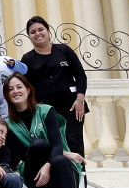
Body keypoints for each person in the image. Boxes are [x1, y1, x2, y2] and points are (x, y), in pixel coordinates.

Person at [3, 73, 88, 188]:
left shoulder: (46, 111)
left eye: (19, 87)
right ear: (7, 95)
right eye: (10, 89)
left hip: (61, 169)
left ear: (28, 90)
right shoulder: (7, 124)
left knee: (59, 160)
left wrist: (48, 165)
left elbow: (57, 145)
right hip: (33, 174)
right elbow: (23, 153)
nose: (15, 91)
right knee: (38, 147)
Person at [20, 15, 89, 157]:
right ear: (29, 36)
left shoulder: (64, 50)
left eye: (41, 29)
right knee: (54, 144)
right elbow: (25, 86)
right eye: (33, 32)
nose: (38, 34)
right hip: (46, 110)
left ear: (48, 31)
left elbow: (80, 75)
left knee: (74, 142)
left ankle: (81, 177)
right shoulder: (27, 59)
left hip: (72, 106)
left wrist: (80, 100)